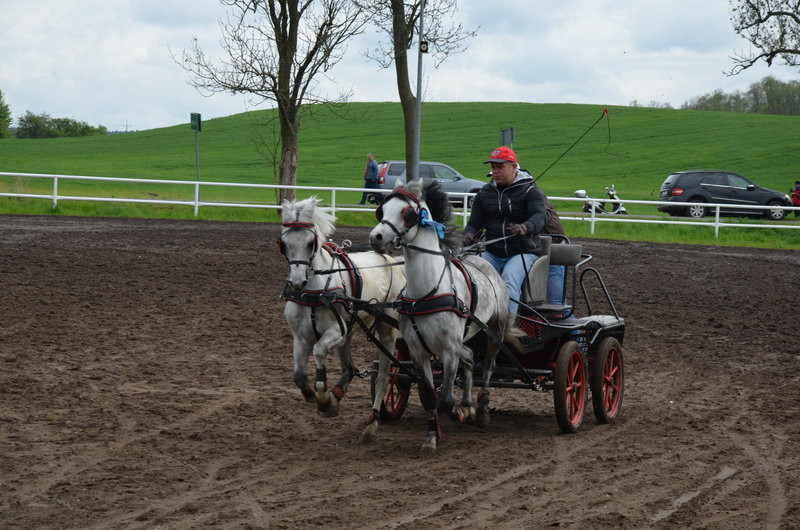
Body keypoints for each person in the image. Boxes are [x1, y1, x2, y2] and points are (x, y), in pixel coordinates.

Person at [463, 146, 547, 314]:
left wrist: (525, 227)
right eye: (493, 167)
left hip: (523, 251)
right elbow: (475, 223)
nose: (495, 171)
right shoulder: (484, 193)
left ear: (514, 167)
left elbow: (540, 217)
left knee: (509, 280)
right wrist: (468, 234)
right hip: (492, 252)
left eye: (500, 167)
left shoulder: (530, 190)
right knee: (470, 276)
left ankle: (505, 328)